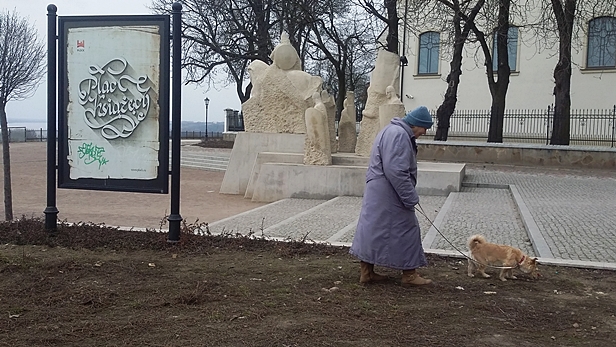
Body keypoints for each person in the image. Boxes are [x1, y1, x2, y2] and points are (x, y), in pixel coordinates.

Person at [349, 105, 434, 286]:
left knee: (373, 229)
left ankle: (367, 272)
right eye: (424, 127)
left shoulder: (391, 130)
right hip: (389, 192)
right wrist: (410, 197)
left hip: (379, 191)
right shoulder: (399, 134)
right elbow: (396, 171)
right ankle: (410, 275)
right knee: (408, 229)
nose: (425, 132)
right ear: (416, 124)